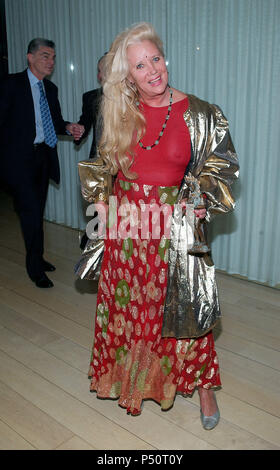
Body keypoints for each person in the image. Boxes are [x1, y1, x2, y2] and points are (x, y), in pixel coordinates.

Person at [78, 23, 239, 429]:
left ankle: (203, 389)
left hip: (175, 226)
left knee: (187, 311)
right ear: (127, 75)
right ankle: (138, 380)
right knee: (134, 311)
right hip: (128, 227)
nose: (152, 69)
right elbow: (102, 165)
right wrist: (100, 200)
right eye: (139, 65)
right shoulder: (119, 111)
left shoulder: (202, 113)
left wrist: (200, 198)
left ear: (164, 59)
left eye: (155, 58)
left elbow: (220, 167)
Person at [0, 38, 84, 288]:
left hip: (43, 158)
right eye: (46, 56)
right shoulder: (10, 85)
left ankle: (38, 256)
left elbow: (55, 123)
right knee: (31, 214)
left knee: (38, 210)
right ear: (30, 57)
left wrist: (69, 127)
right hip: (18, 161)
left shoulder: (51, 89)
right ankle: (35, 268)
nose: (51, 62)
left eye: (53, 57)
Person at [75, 54, 107, 250]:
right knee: (97, 213)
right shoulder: (91, 97)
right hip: (98, 167)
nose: (102, 74)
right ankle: (93, 249)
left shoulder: (133, 97)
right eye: (101, 70)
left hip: (125, 168)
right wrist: (77, 130)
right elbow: (84, 125)